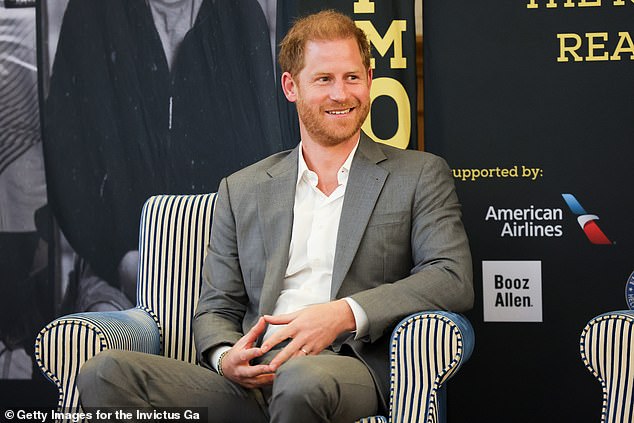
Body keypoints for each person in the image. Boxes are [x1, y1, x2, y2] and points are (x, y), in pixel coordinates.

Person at [77, 10, 473, 423]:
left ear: (369, 80)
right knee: (104, 374)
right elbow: (217, 306)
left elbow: (451, 276)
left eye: (352, 77)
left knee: (301, 379)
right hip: (252, 378)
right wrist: (225, 357)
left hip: (344, 368)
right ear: (291, 86)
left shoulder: (419, 174)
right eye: (324, 79)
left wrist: (343, 314)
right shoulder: (242, 188)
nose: (342, 94)